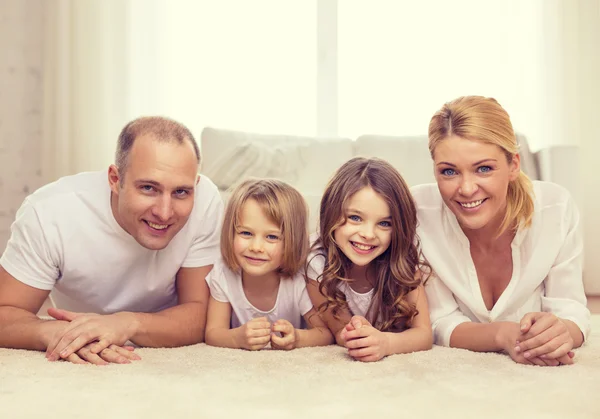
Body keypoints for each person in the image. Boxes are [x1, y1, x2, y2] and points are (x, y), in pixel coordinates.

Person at [0, 116, 223, 365]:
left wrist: (126, 323)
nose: (164, 212)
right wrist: (55, 332)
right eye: (149, 188)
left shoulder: (205, 201)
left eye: (181, 192)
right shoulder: (49, 212)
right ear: (115, 180)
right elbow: (5, 312)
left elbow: (201, 314)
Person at [412, 95, 590, 366]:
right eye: (449, 172)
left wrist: (560, 332)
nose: (467, 188)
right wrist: (504, 334)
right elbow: (439, 321)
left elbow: (571, 308)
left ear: (513, 165)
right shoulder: (418, 214)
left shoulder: (555, 208)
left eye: (484, 169)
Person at [306, 157, 432, 362]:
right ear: (330, 213)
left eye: (384, 223)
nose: (368, 234)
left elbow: (424, 334)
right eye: (355, 218)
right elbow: (340, 332)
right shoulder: (315, 262)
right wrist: (356, 333)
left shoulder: (404, 258)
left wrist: (386, 343)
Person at [205, 179, 333, 350]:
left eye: (272, 237)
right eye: (246, 233)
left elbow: (324, 333)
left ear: (292, 241)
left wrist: (297, 338)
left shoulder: (299, 280)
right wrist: (236, 338)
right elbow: (213, 333)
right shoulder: (223, 274)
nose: (256, 247)